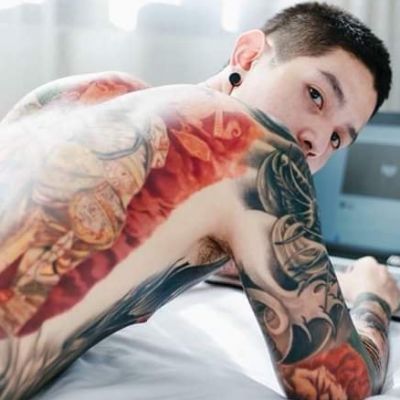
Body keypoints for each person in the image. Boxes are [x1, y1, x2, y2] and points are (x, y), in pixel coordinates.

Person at [0, 2, 398, 399]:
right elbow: (337, 386)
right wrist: (373, 297)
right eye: (316, 95)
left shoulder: (85, 93)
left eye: (337, 139)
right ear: (248, 55)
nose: (317, 143)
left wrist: (249, 255)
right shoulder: (260, 149)